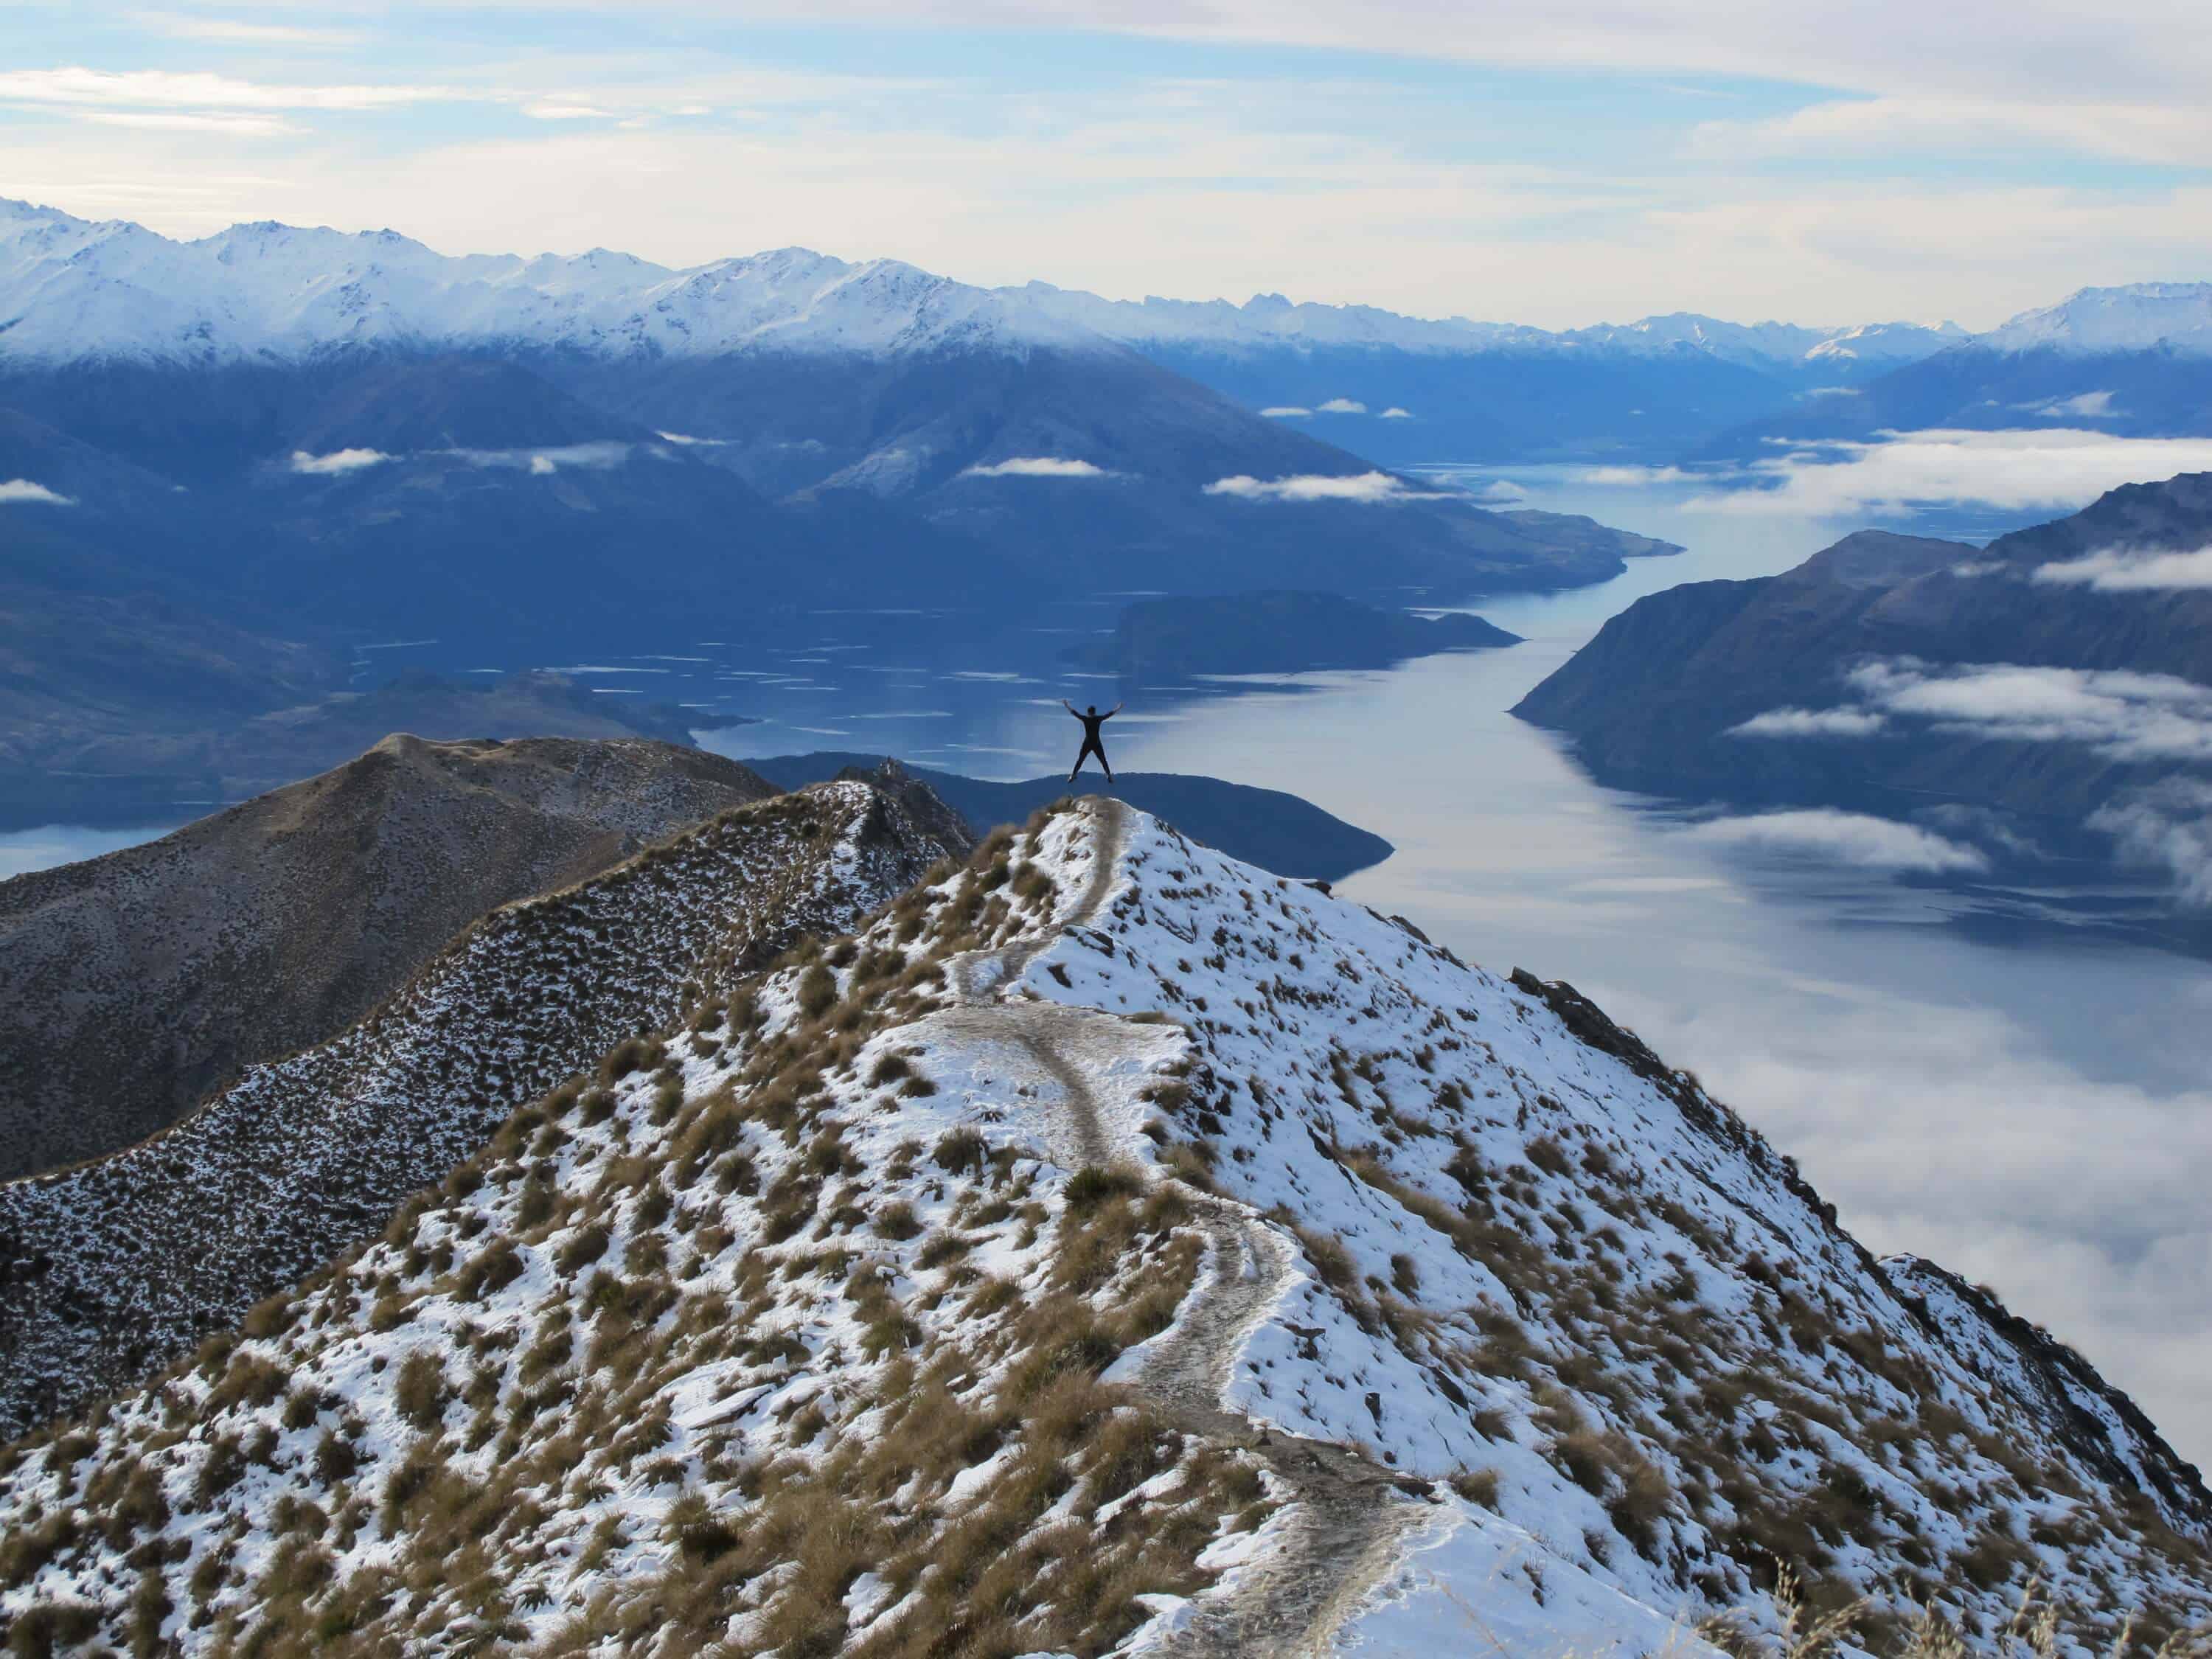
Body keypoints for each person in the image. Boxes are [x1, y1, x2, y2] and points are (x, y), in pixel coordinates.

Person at [1062, 699, 1122, 784]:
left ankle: (1073, 775)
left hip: (1087, 743)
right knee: (1103, 760)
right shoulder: (1098, 719)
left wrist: (1067, 705)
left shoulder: (1086, 719)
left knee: (1080, 760)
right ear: (1094, 713)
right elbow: (1109, 714)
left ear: (1088, 713)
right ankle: (1109, 775)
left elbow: (1075, 713)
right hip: (1096, 743)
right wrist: (1118, 708)